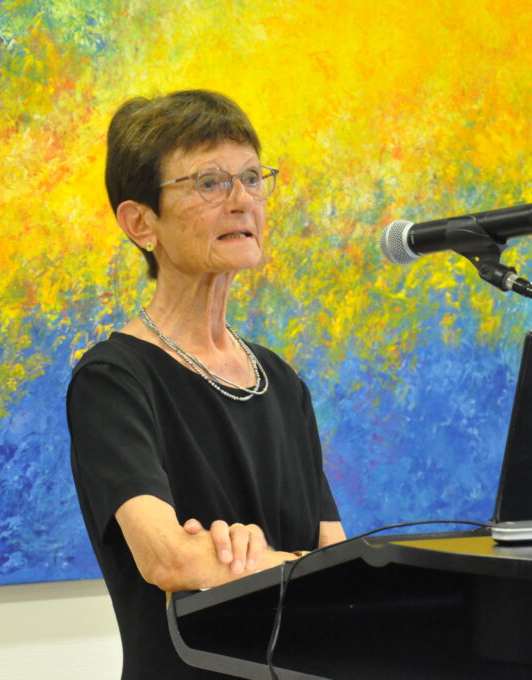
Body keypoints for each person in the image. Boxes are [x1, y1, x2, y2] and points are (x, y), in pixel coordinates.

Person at [66, 89, 346, 679]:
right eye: (210, 183)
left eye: (252, 178)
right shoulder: (112, 380)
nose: (242, 201)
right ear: (140, 222)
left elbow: (339, 567)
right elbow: (168, 559)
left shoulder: (282, 381)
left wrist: (246, 559)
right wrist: (296, 566)